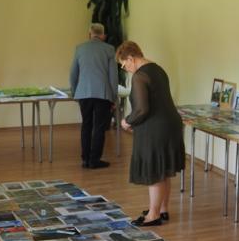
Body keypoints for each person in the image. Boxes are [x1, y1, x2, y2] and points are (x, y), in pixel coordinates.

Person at [117, 41, 184, 226]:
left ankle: (153, 215)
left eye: (124, 65)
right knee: (163, 170)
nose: (126, 69)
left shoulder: (140, 76)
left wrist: (127, 121)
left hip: (155, 128)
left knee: (154, 171)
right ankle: (163, 210)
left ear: (131, 58)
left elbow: (141, 110)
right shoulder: (158, 69)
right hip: (171, 124)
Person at [69, 23, 118, 169]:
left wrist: (74, 92)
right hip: (102, 94)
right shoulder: (109, 49)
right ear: (103, 35)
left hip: (83, 94)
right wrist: (114, 97)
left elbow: (73, 74)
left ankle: (85, 159)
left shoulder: (80, 48)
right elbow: (113, 77)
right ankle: (95, 160)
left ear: (89, 34)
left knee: (86, 125)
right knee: (99, 127)